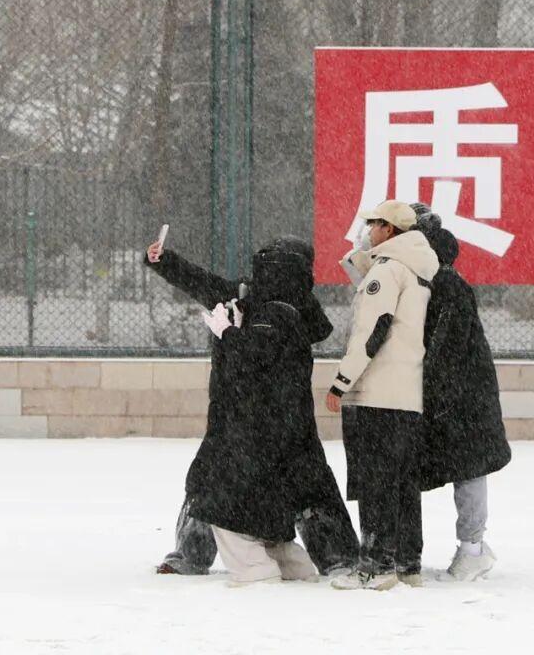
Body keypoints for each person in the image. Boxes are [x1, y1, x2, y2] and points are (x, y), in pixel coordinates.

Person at [145, 236, 358, 577]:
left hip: (274, 416)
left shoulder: (290, 310)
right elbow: (201, 282)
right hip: (238, 413)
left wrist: (232, 332)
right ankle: (191, 554)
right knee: (211, 478)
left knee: (304, 484)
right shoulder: (247, 298)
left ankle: (338, 558)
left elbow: (259, 355)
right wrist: (164, 261)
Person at [188, 245, 322, 585]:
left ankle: (253, 569)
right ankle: (292, 564)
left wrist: (228, 333)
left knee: (217, 499)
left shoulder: (272, 314)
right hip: (279, 426)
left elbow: (254, 356)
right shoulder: (293, 310)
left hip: (259, 426)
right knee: (266, 502)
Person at [324, 200, 439, 590]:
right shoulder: (416, 267)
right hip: (406, 395)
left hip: (377, 393)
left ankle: (375, 567)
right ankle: (407, 563)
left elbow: (372, 330)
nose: (368, 231)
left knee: (376, 484)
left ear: (389, 229)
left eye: (373, 224)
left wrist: (342, 381)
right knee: (403, 483)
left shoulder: (388, 271)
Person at [415, 219, 512, 582]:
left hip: (461, 398)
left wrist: (431, 386)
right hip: (462, 395)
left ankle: (472, 549)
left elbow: (444, 346)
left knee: (468, 469)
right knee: (467, 468)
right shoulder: (443, 283)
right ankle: (472, 547)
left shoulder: (445, 286)